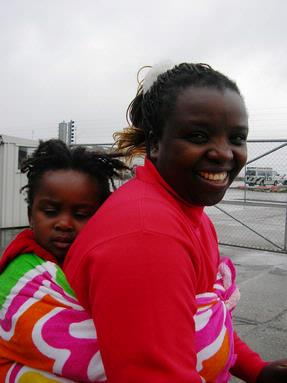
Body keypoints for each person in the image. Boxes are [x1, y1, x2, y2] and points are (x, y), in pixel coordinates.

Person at [64, 62, 287, 383]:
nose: (224, 153)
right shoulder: (148, 236)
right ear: (155, 144)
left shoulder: (188, 214)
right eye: (198, 136)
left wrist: (257, 369)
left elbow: (202, 319)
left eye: (237, 138)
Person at [0, 139, 128, 382]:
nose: (64, 224)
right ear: (30, 214)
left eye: (81, 215)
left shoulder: (105, 264)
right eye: (50, 211)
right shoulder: (21, 273)